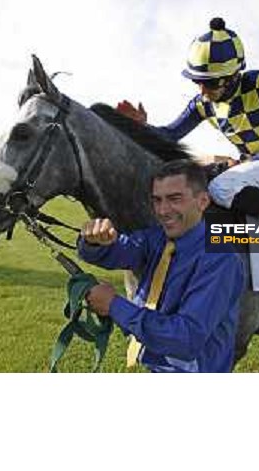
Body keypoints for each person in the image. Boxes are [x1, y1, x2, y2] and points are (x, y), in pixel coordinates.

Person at [117, 17, 259, 264]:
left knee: (221, 187)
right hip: (254, 166)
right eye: (197, 81)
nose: (202, 90)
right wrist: (141, 126)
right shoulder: (203, 104)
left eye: (210, 83)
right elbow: (170, 135)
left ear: (233, 75)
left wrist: (247, 162)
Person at [78, 159, 243, 373]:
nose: (163, 210)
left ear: (202, 201)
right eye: (157, 200)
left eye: (175, 199)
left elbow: (186, 339)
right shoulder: (157, 237)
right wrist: (95, 242)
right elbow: (119, 252)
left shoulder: (220, 258)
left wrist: (113, 305)